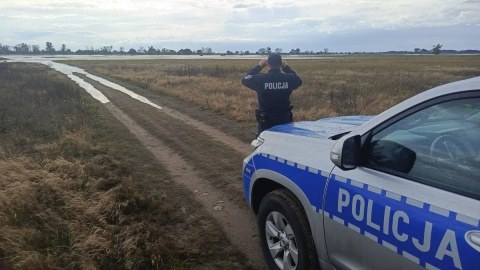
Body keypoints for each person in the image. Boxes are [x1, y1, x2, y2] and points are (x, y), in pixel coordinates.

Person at [242, 53, 303, 137]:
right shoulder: (288, 78)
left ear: (268, 64)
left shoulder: (261, 79)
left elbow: (245, 79)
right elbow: (298, 80)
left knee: (264, 144)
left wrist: (259, 66)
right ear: (280, 64)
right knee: (284, 143)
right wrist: (286, 67)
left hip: (266, 121)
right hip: (284, 119)